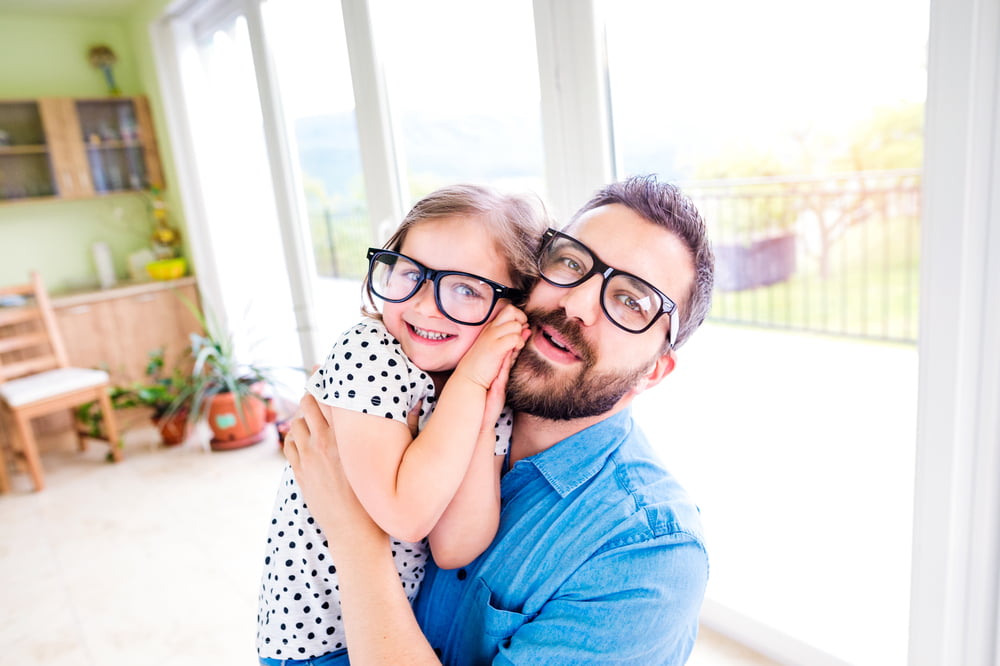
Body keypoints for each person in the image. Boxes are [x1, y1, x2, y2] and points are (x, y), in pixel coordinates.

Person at [284, 174, 716, 665]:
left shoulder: (648, 556)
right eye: (572, 262)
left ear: (654, 371)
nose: (575, 303)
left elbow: (424, 532)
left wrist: (354, 534)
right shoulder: (454, 388)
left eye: (629, 301)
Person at [257, 184, 549, 664]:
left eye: (465, 289)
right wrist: (472, 384)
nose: (424, 304)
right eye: (412, 273)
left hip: (385, 631)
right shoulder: (370, 349)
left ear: (512, 311)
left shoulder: (480, 389)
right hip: (314, 647)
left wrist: (477, 403)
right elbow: (406, 514)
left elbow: (455, 545)